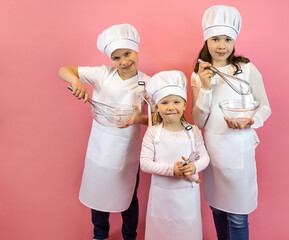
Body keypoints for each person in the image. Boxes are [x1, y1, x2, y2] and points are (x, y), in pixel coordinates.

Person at [58, 24, 151, 240]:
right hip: (100, 146)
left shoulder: (148, 82)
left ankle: (130, 235)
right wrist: (76, 81)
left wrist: (140, 119)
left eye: (127, 54)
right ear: (111, 60)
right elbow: (64, 69)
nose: (124, 61)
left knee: (129, 196)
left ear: (136, 50)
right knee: (97, 193)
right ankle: (100, 234)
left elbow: (159, 118)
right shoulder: (103, 74)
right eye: (116, 58)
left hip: (127, 151)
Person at [191, 5, 272, 240]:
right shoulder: (199, 74)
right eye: (215, 39)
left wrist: (251, 120)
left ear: (233, 41)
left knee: (237, 216)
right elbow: (198, 120)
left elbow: (265, 107)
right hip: (213, 150)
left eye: (227, 39)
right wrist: (205, 89)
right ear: (206, 40)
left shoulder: (246, 69)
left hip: (240, 149)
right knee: (217, 208)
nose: (221, 45)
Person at [140, 71, 210, 239]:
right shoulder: (153, 132)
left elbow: (205, 158)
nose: (171, 107)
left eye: (176, 102)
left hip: (187, 197)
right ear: (157, 107)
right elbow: (144, 163)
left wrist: (194, 167)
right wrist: (172, 169)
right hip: (161, 196)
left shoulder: (193, 131)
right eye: (164, 103)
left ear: (185, 105)